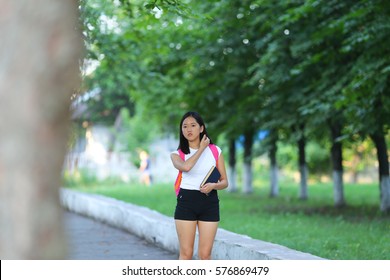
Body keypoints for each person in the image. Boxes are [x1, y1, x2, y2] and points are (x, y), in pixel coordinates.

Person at [170, 111, 228, 260]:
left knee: (205, 254)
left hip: (209, 202)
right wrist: (201, 148)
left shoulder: (215, 151)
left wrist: (213, 186)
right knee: (186, 254)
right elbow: (186, 167)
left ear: (201, 128)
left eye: (193, 125)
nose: (188, 129)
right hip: (186, 201)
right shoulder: (177, 154)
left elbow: (224, 182)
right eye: (185, 126)